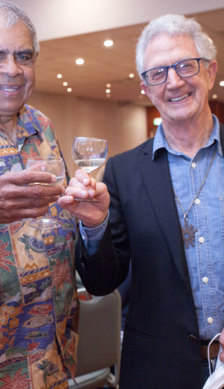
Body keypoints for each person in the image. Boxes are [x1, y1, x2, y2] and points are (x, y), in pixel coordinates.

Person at [0, 2, 105, 387]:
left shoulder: (41, 127)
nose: (12, 69)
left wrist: (90, 224)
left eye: (23, 56)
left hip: (53, 368)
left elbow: (57, 236)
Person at [60, 13, 224, 389]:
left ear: (210, 72)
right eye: (158, 73)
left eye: (186, 65)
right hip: (157, 372)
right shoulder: (122, 172)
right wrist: (93, 225)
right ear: (146, 88)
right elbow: (102, 283)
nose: (174, 81)